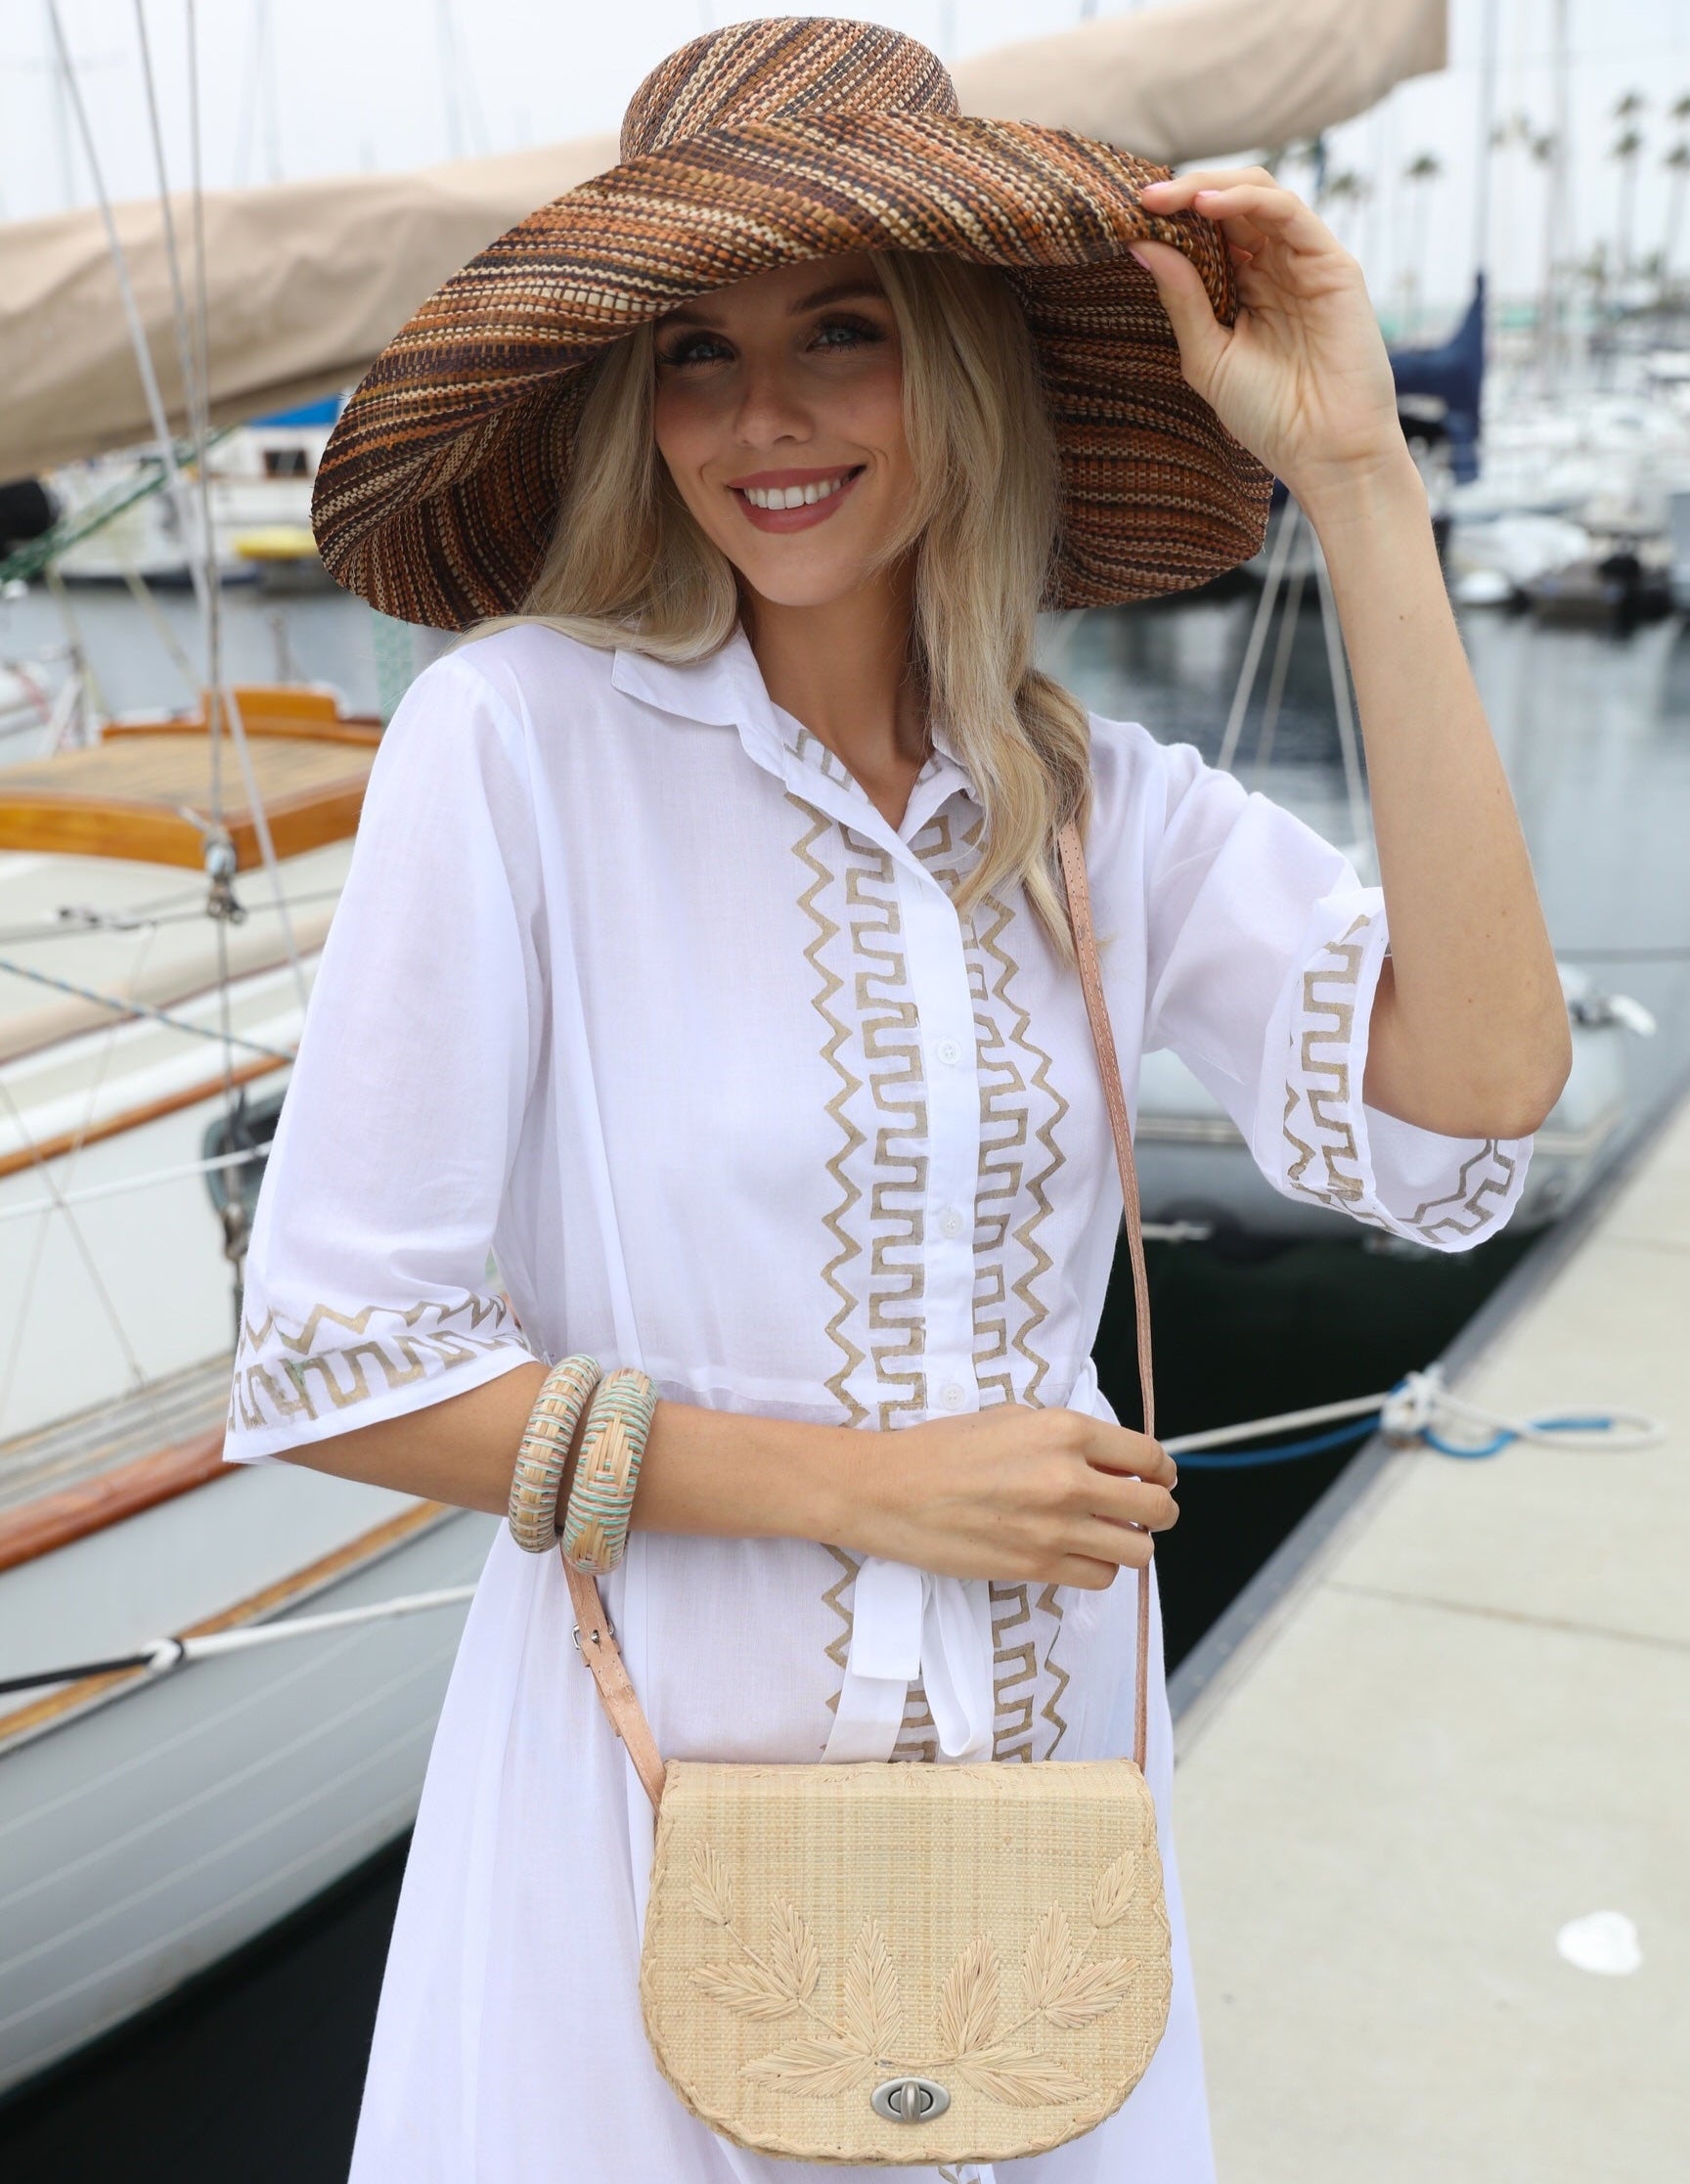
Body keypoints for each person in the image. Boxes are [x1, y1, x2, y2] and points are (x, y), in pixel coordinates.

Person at [228, 20, 1569, 2183]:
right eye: (693, 352)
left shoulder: (1100, 809)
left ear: (959, 362)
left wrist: (1359, 478)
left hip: (1037, 1806)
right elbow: (330, 1363)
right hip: (641, 1792)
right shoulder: (516, 743)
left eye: (840, 334)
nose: (759, 420)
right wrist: (860, 1489)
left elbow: (1483, 1088)